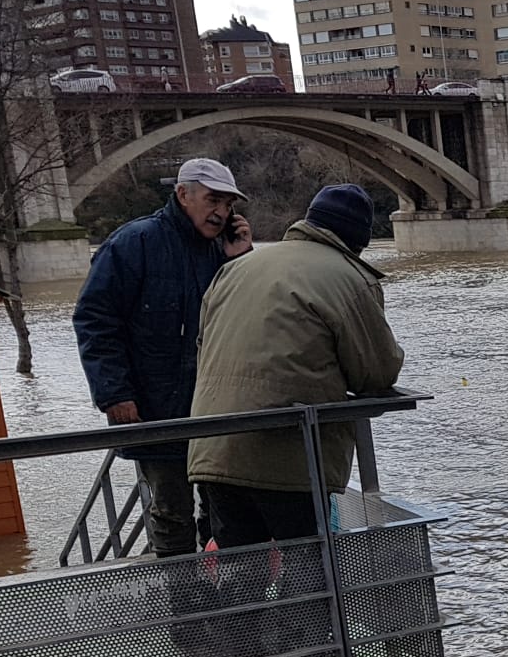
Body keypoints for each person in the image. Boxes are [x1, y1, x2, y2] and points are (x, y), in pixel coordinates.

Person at [187, 185, 404, 548]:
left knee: (243, 572)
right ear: (359, 241)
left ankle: (250, 606)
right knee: (312, 571)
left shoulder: (234, 270)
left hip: (215, 448)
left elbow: (203, 349)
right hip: (289, 460)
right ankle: (307, 608)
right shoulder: (350, 279)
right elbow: (377, 373)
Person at [73, 157, 254, 556]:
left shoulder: (221, 253)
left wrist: (240, 261)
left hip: (216, 408)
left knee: (226, 511)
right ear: (183, 194)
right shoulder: (133, 244)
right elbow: (95, 320)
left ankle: (228, 606)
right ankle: (186, 610)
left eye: (227, 204)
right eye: (213, 200)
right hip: (157, 410)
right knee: (173, 512)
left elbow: (247, 323)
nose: (221, 212)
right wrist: (115, 394)